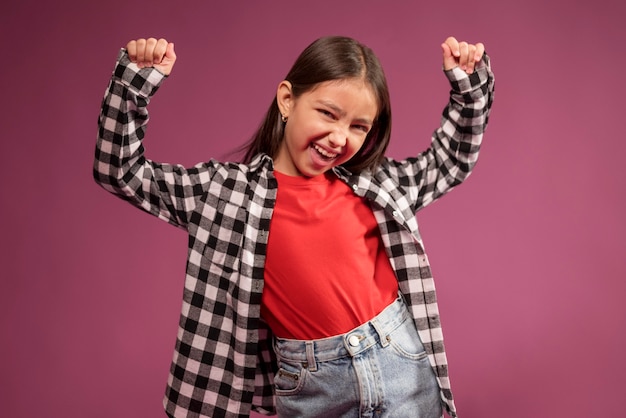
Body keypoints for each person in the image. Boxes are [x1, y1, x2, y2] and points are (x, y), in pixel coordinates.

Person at [94, 34, 494, 418]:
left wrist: (469, 90)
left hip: (402, 366)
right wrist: (135, 85)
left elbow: (449, 161)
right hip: (314, 387)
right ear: (287, 99)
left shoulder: (377, 184)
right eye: (328, 113)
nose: (339, 137)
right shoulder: (224, 193)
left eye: (358, 126)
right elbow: (120, 171)